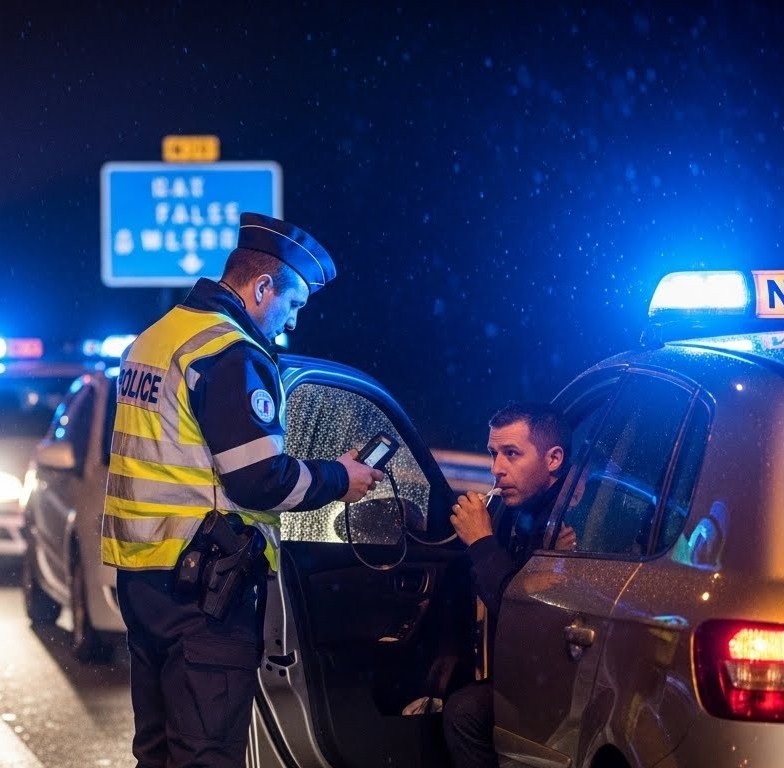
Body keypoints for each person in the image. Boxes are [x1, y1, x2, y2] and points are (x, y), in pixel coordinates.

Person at [102, 211, 384, 768]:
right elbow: (260, 479)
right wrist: (339, 478)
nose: (292, 324)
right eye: (293, 305)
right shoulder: (230, 352)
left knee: (156, 753)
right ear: (261, 288)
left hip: (142, 580)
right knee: (207, 756)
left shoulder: (153, 340)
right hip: (203, 591)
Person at [442, 401, 573, 768]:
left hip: (563, 682)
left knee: (465, 713)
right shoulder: (519, 511)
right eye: (493, 453)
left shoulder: (568, 518)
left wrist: (481, 541)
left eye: (511, 454)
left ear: (553, 459)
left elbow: (519, 612)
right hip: (535, 670)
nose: (496, 469)